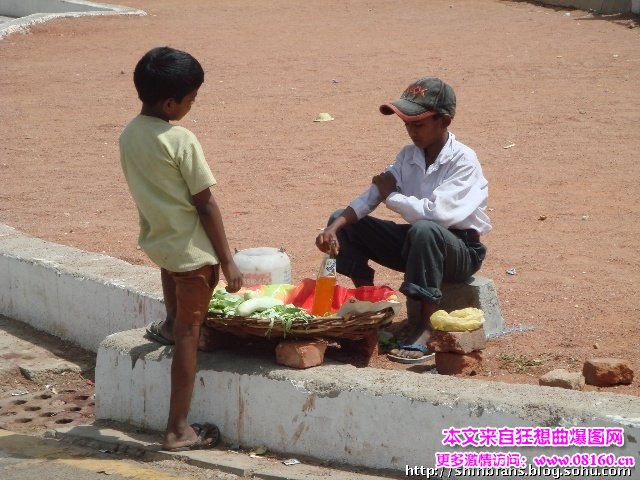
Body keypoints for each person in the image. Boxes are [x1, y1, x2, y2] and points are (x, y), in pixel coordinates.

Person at [119, 46, 243, 451]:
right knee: (191, 335)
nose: (192, 106)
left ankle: (171, 324)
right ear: (171, 102)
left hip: (162, 246)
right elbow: (205, 202)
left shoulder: (130, 134)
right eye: (191, 100)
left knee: (178, 320)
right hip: (193, 257)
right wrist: (227, 262)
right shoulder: (180, 139)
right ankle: (178, 428)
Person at [315, 77, 491, 360]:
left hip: (459, 251)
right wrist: (333, 226)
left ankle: (423, 326)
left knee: (424, 229)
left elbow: (438, 216)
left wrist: (392, 196)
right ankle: (369, 309)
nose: (410, 131)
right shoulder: (408, 156)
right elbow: (371, 195)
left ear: (444, 120)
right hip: (419, 245)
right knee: (347, 223)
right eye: (407, 124)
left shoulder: (463, 160)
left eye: (418, 124)